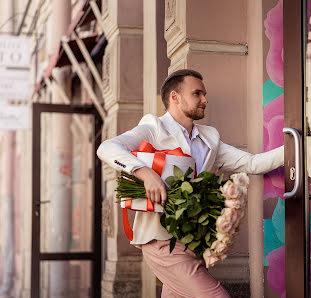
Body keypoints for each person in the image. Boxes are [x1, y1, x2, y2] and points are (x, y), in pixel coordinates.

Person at [97, 69, 284, 297]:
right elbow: (106, 148)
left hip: (192, 243)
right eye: (197, 93)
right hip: (162, 241)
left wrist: (296, 145)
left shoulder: (210, 138)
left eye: (204, 94)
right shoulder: (154, 128)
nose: (205, 100)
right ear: (175, 97)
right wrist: (145, 173)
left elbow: (253, 164)